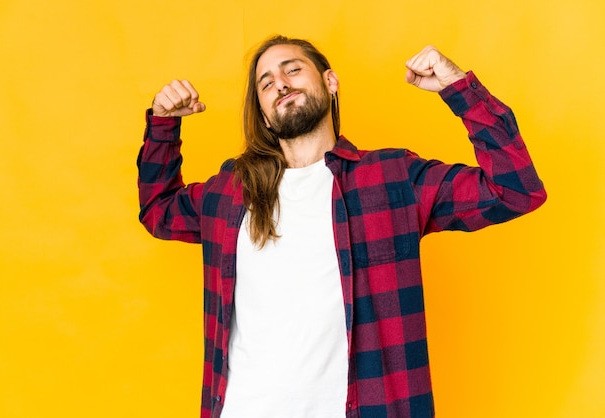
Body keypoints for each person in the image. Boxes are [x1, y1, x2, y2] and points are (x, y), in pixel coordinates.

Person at [137, 35, 546, 418]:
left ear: (330, 81)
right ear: (262, 111)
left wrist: (460, 89)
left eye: (292, 69)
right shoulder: (230, 193)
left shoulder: (391, 178)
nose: (280, 83)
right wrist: (163, 125)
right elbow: (158, 209)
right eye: (266, 82)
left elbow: (515, 190)